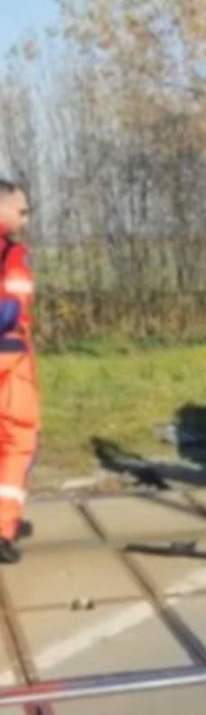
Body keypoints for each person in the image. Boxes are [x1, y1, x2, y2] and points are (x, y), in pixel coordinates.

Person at [0, 180, 37, 563]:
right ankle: (2, 530)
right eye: (21, 211)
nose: (24, 220)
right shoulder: (11, 254)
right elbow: (12, 309)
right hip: (8, 360)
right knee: (18, 442)